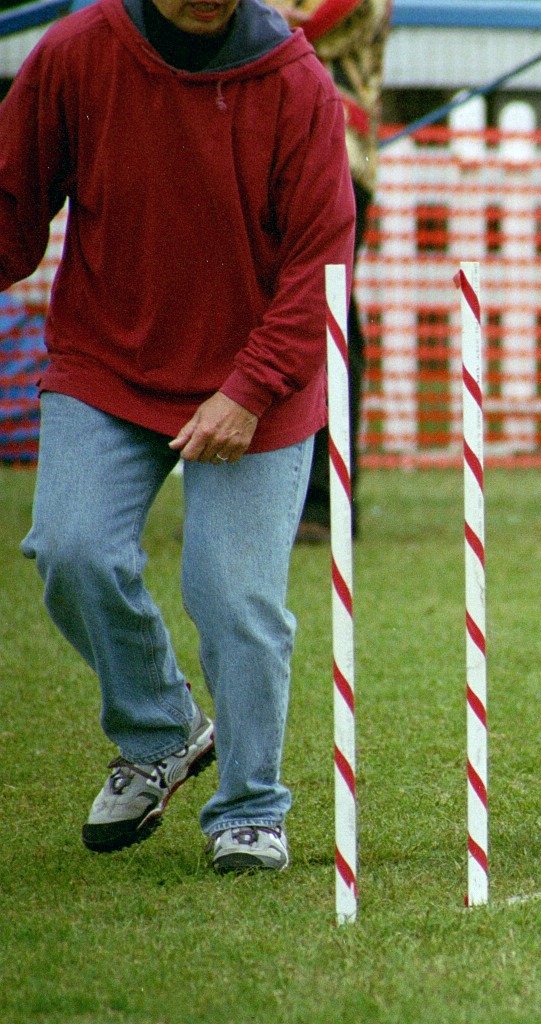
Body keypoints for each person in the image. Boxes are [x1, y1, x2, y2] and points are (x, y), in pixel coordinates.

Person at [0, 0, 355, 872]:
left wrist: (250, 389)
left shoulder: (298, 83)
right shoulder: (77, 54)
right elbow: (11, 201)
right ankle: (163, 731)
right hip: (107, 359)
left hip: (258, 372)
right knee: (73, 549)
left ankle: (250, 809)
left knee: (235, 601)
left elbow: (322, 263)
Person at [272, 0, 390, 545]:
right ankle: (265, 494)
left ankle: (322, 497)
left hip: (335, 150)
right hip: (255, 141)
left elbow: (303, 19)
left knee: (328, 319)